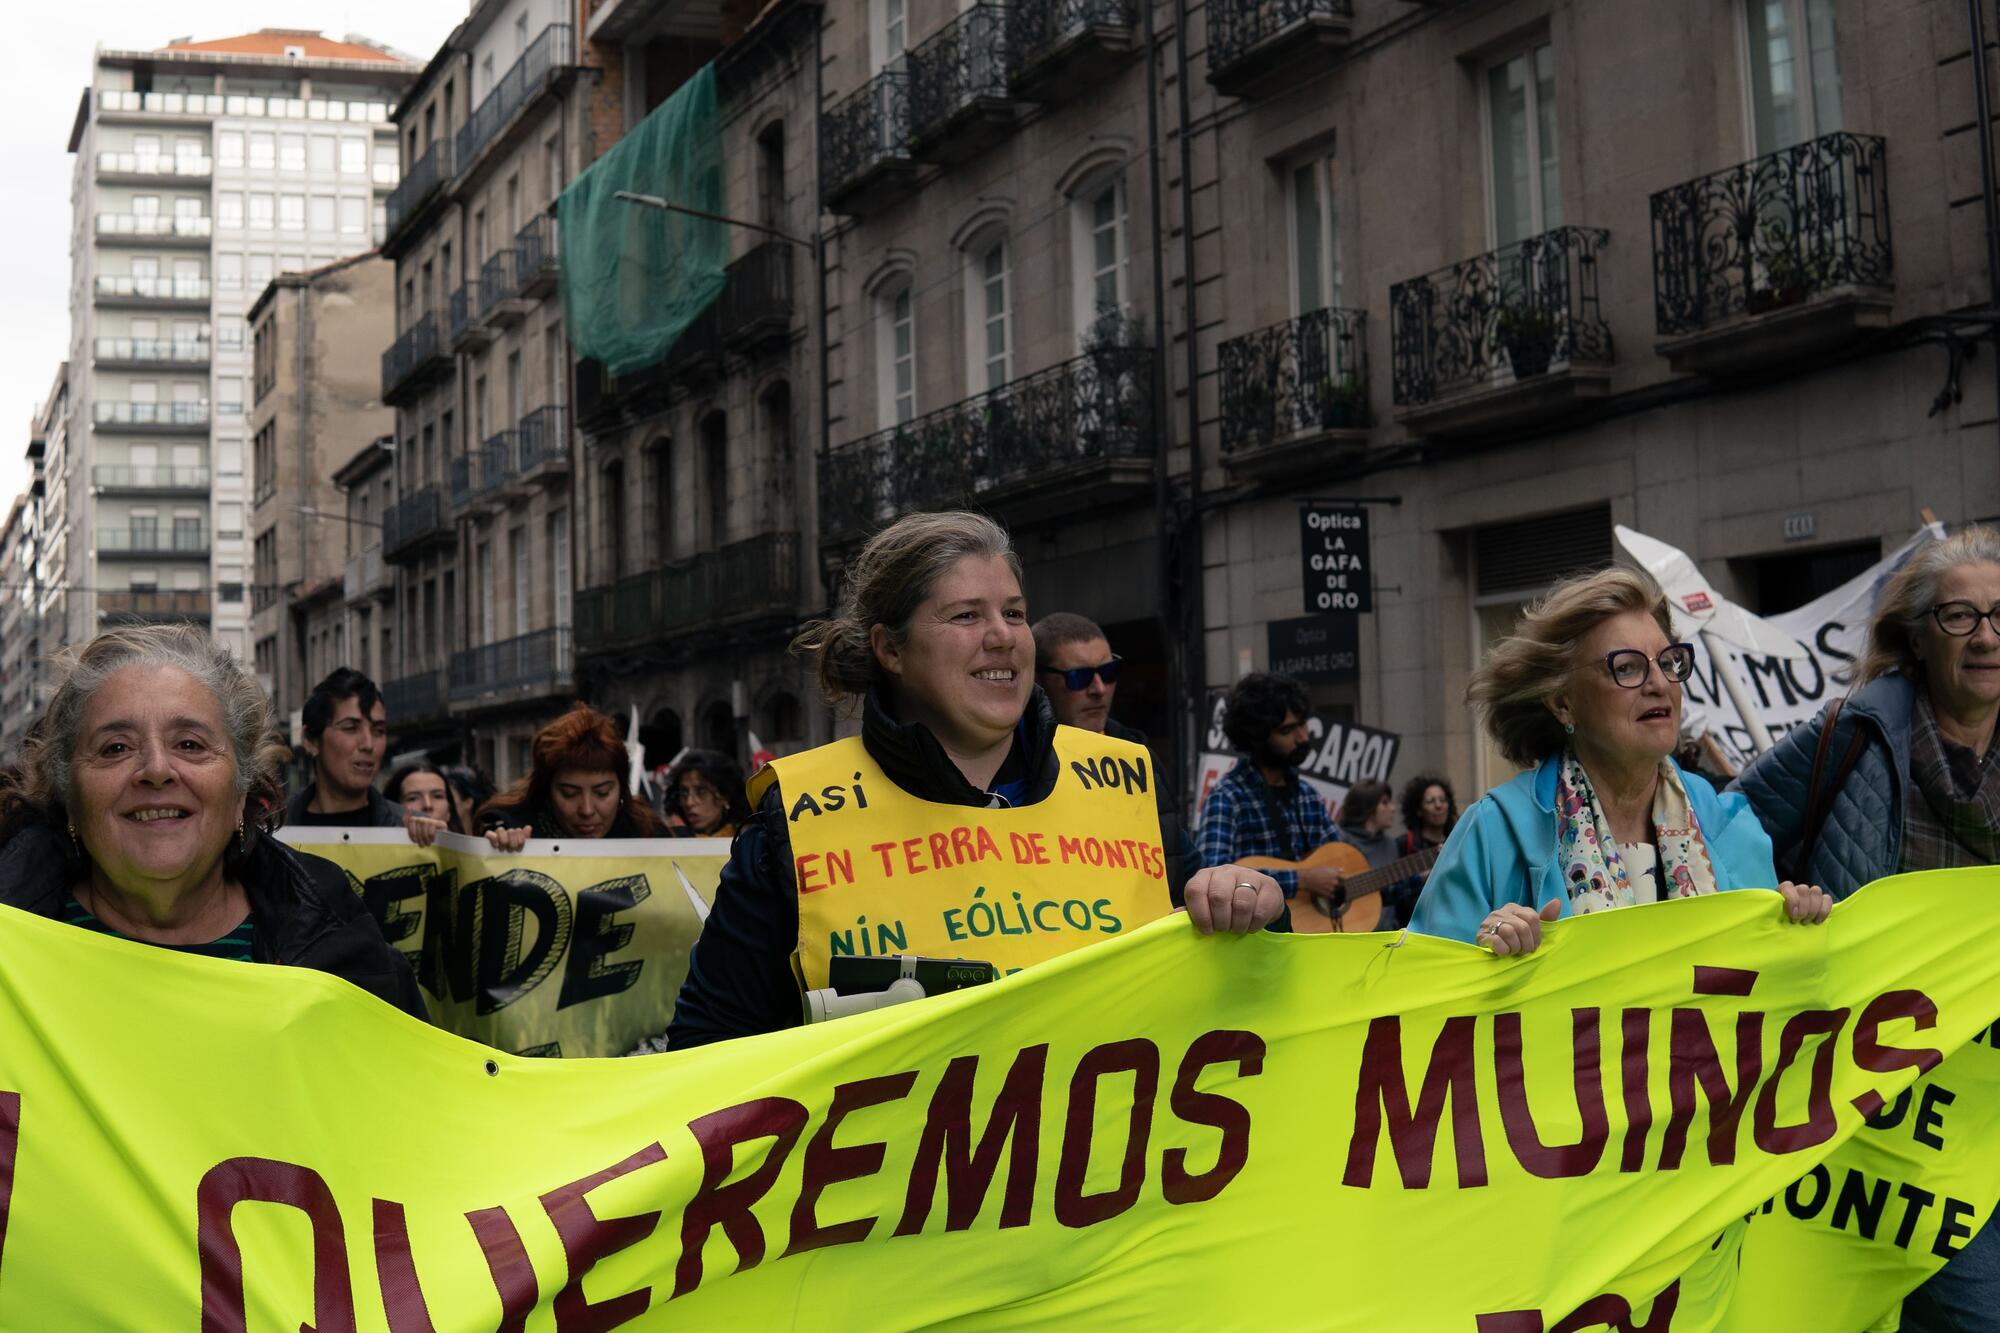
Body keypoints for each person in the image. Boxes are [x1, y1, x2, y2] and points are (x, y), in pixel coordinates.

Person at [664, 511, 1279, 1049]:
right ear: (891, 649)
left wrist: (1255, 908)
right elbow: (707, 1051)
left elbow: (1232, 984)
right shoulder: (795, 818)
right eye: (965, 615)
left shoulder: (1123, 780)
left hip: (1115, 1176)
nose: (1003, 636)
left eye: (1014, 613)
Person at [1731, 525, 2000, 1333]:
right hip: (1879, 1098)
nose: (1986, 636)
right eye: (1960, 617)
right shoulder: (1854, 732)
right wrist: (1787, 903)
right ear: (1917, 637)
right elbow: (1723, 841)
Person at [0, 625, 425, 1017]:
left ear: (242, 789)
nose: (157, 768)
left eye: (189, 743)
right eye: (115, 748)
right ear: (69, 795)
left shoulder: (347, 953)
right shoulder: (12, 958)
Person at [1407, 566, 1831, 953]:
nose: (1659, 684)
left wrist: (1801, 927)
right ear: (1562, 703)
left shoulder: (1727, 824)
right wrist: (1481, 953)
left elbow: (1771, 986)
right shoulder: (1493, 831)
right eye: (1627, 668)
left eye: (1669, 662)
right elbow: (1420, 992)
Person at [1195, 671, 1343, 911]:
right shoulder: (1228, 797)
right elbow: (1212, 879)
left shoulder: (1308, 796)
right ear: (1258, 739)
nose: (1303, 738)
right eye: (1287, 731)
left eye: (1303, 724)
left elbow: (1341, 862)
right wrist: (1302, 880)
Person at [476, 705, 664, 850]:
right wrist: (500, 849)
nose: (587, 810)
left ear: (622, 789)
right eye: (569, 794)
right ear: (546, 790)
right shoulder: (510, 825)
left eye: (602, 793)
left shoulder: (647, 833)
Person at [284, 668, 403, 827]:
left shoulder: (410, 834)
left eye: (379, 731)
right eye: (350, 728)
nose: (368, 745)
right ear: (310, 740)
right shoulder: (273, 831)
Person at [1032, 611, 1144, 743]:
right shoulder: (1013, 757)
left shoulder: (1139, 755)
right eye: (1079, 676)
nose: (1099, 689)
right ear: (1037, 681)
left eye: (1108, 671)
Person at [1335, 780, 1411, 927]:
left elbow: (1392, 894)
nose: (1393, 808)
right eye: (1384, 803)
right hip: (1350, 933)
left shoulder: (1390, 845)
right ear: (1367, 807)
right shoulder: (1339, 840)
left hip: (1385, 935)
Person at [662, 748, 751, 838]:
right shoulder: (669, 838)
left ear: (724, 796)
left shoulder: (745, 840)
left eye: (701, 791)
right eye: (684, 792)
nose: (689, 802)